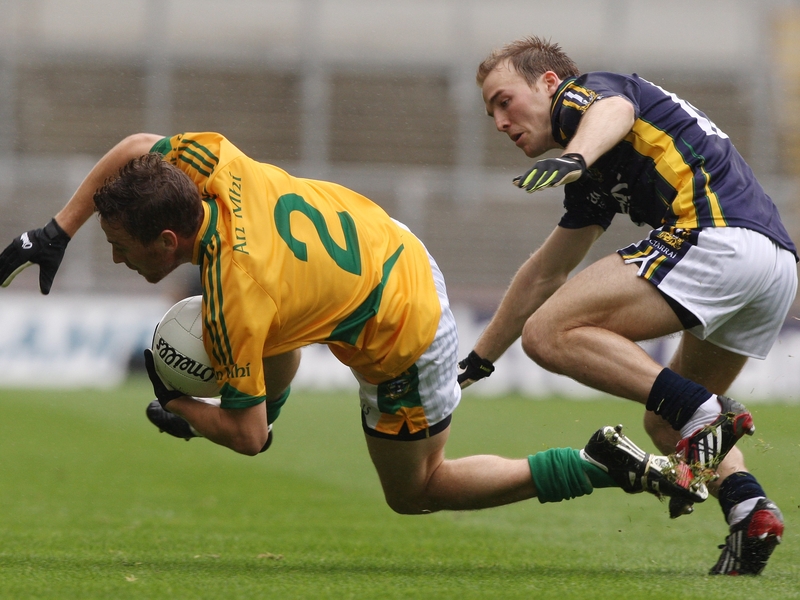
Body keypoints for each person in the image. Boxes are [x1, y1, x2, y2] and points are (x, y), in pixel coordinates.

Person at [0, 131, 706, 535]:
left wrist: (179, 401)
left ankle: (596, 465)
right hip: (386, 243)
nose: (115, 259)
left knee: (417, 489)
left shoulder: (235, 298)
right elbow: (134, 147)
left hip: (404, 329)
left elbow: (246, 437)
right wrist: (57, 229)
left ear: (166, 240)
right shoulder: (212, 164)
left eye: (119, 247)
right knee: (279, 327)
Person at [459, 36, 797, 576]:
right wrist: (478, 359)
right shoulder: (592, 171)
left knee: (548, 334)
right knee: (664, 422)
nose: (500, 122)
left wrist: (574, 157)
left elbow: (614, 109)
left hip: (716, 236)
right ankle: (749, 509)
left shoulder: (585, 96)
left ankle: (706, 412)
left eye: (505, 101)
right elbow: (546, 271)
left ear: (549, 83)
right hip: (773, 265)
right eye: (491, 113)